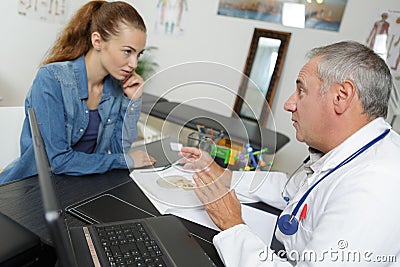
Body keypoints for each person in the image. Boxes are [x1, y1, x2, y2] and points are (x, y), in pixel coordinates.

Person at [179, 41, 400, 266]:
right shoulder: (349, 151)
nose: (288, 104)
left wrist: (232, 226)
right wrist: (223, 175)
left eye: (301, 90)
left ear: (341, 96)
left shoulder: (376, 186)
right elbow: (291, 190)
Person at [0, 1, 156, 184]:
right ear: (97, 41)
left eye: (138, 54)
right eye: (127, 51)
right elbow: (59, 161)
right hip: (32, 188)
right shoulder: (51, 79)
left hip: (80, 186)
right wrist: (125, 161)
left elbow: (117, 150)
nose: (134, 64)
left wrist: (133, 101)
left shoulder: (116, 87)